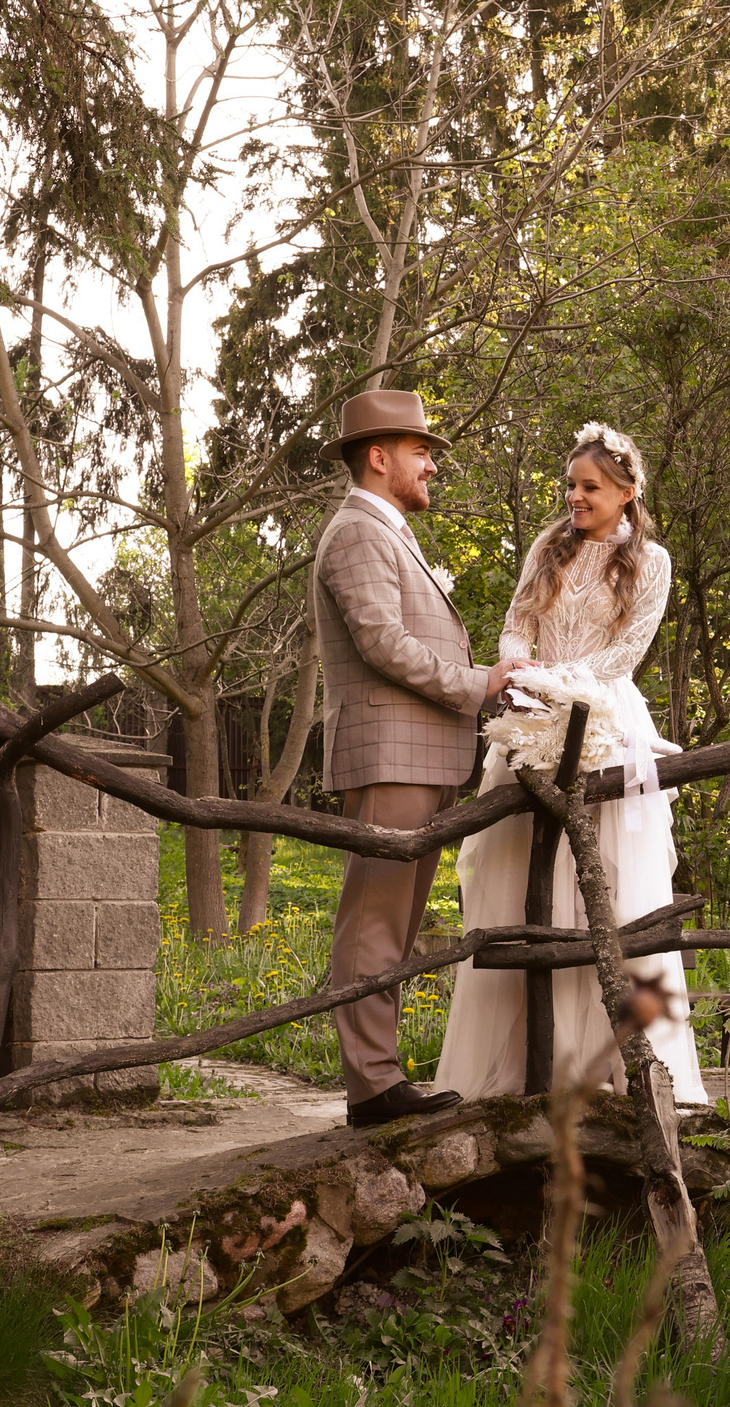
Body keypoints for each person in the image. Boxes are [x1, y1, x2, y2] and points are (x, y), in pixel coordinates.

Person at [433, 422, 709, 1104]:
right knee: (509, 869)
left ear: (626, 491)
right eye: (570, 486)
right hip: (530, 715)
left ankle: (619, 1064)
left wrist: (561, 680)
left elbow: (626, 653)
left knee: (611, 879)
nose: (575, 498)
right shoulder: (547, 546)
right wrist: (520, 665)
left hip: (604, 716)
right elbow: (516, 620)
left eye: (589, 487)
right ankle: (520, 1065)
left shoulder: (653, 561)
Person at [312, 388, 534, 1127]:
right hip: (389, 757)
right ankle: (372, 1087)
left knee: (395, 925)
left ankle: (379, 1078)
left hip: (418, 757)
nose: (432, 462)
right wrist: (478, 685)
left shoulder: (389, 532)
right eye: (420, 450)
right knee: (375, 921)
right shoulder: (356, 533)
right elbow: (384, 644)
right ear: (379, 458)